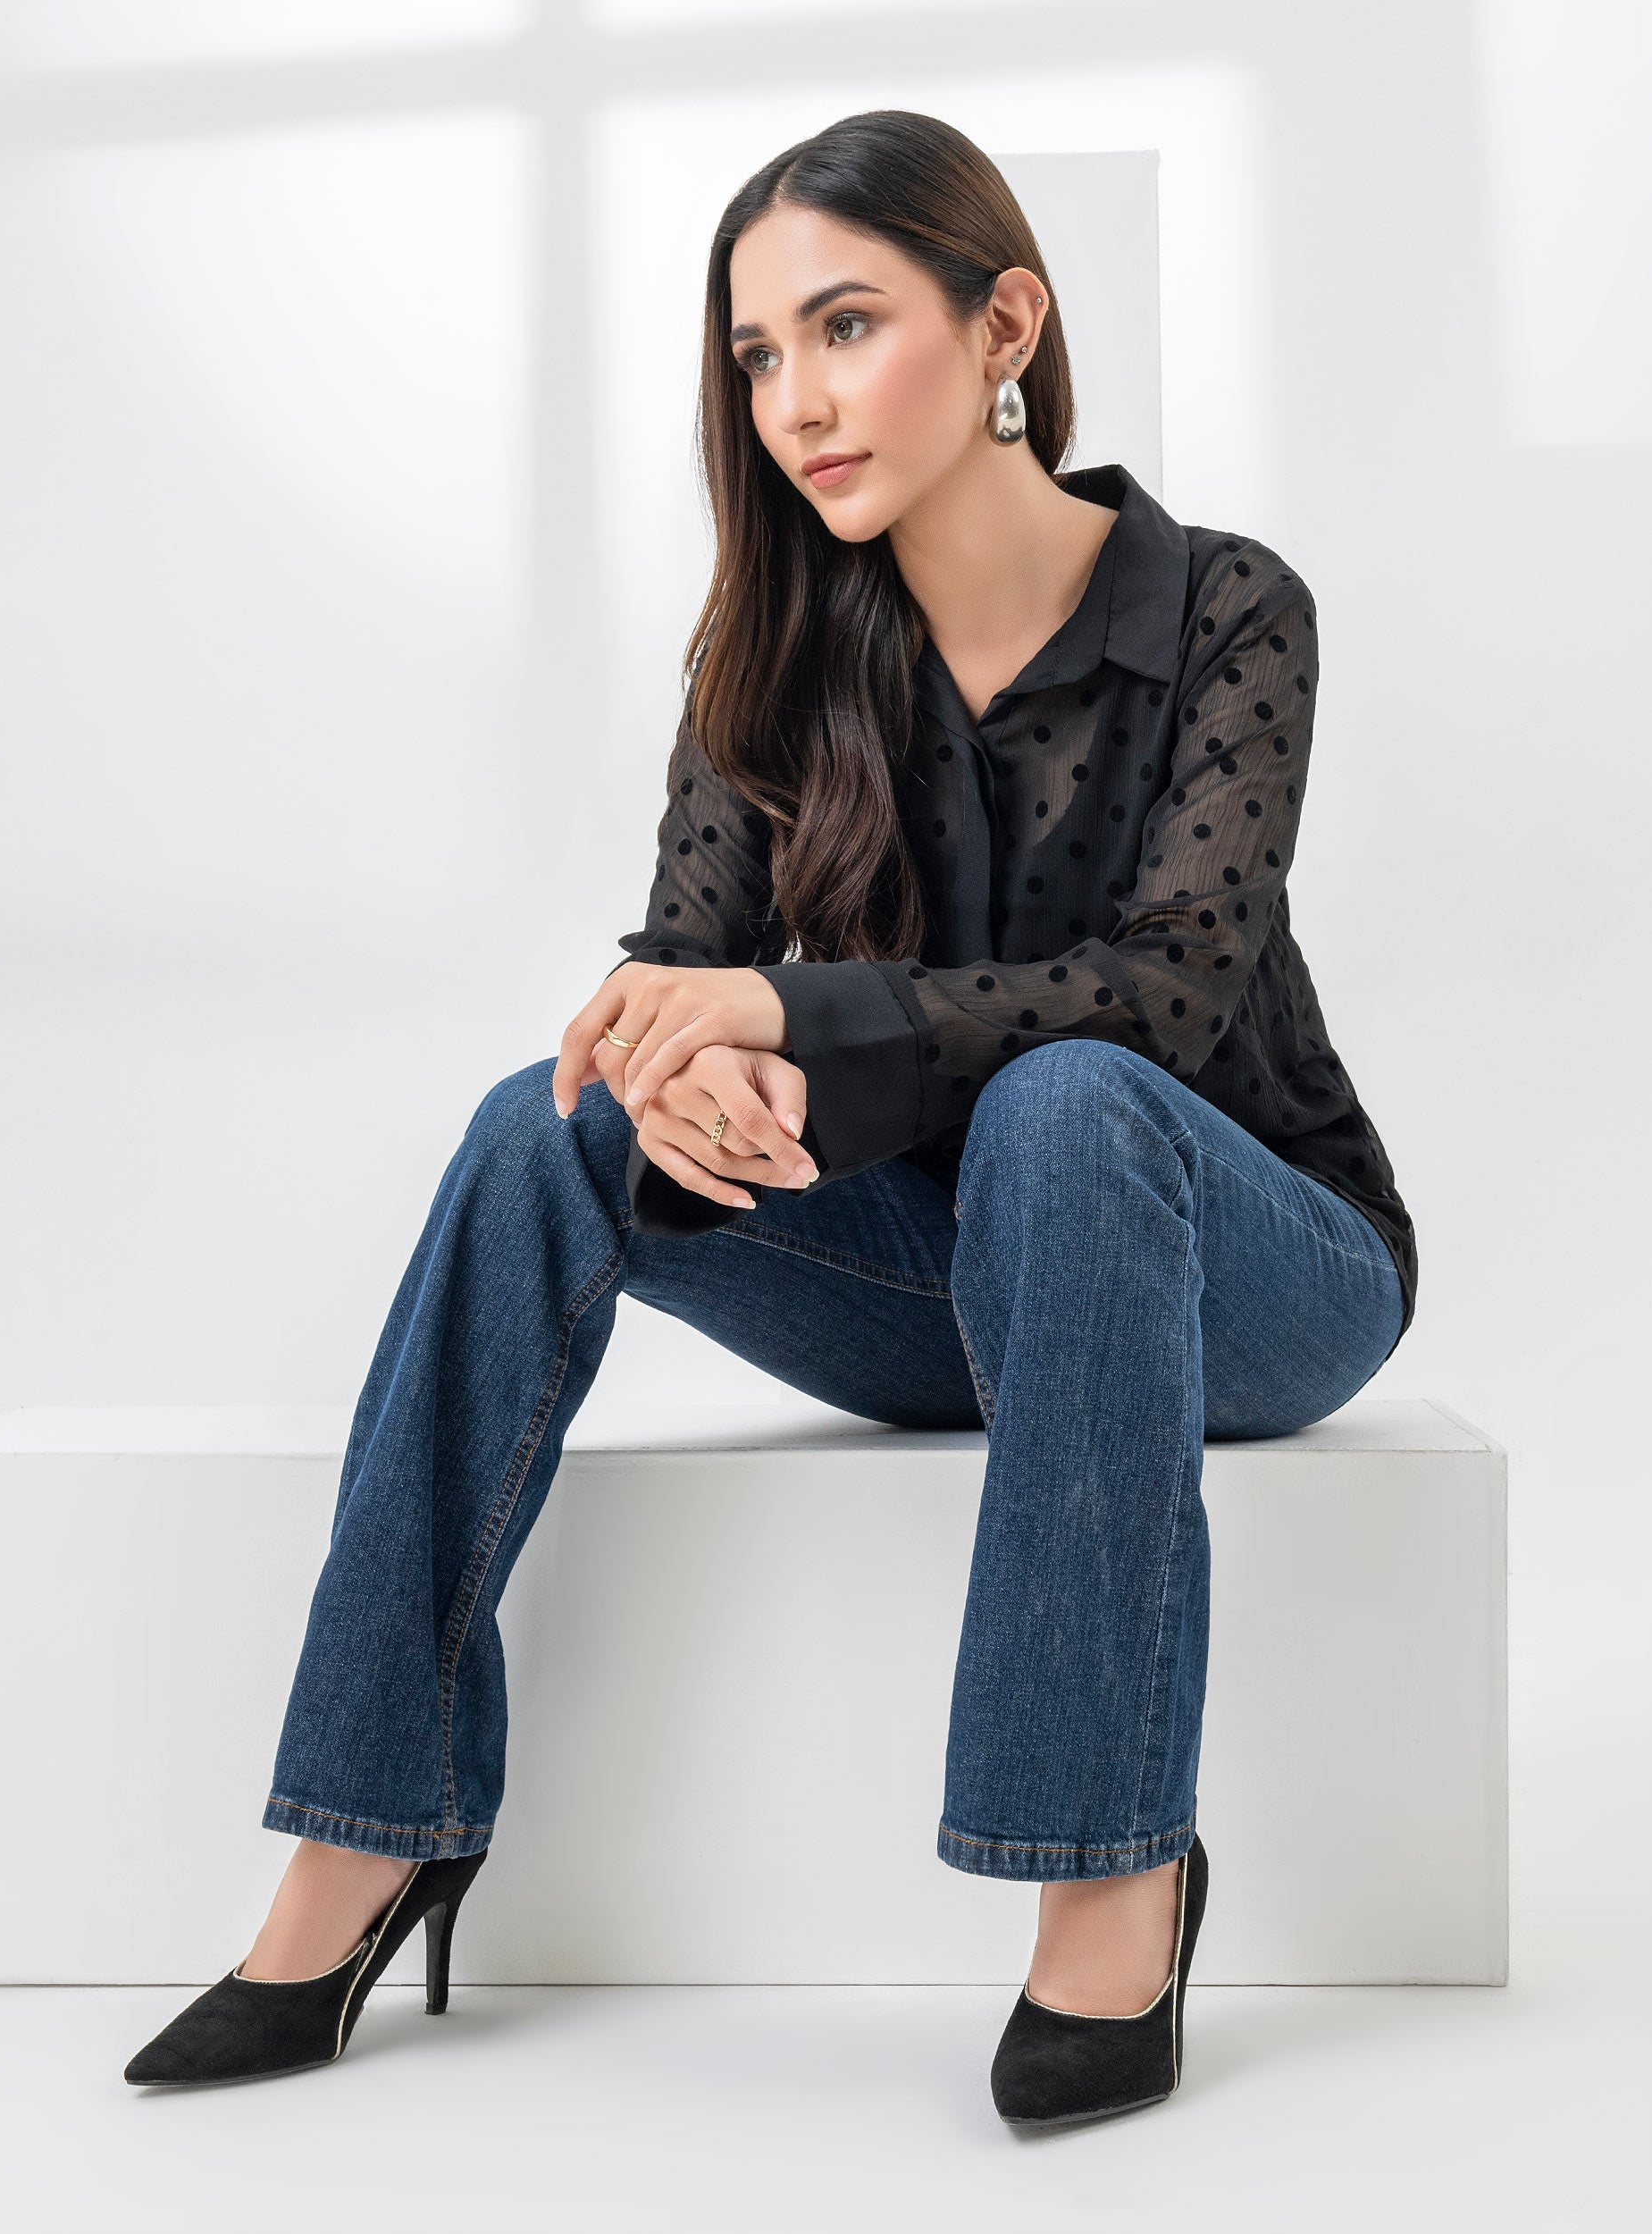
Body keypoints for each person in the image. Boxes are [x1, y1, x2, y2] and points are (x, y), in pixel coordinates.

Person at [124, 108, 1416, 2126]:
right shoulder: (777, 651)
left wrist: (786, 1010)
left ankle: (1111, 1872)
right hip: (946, 1286)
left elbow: (1167, 995)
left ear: (1005, 326)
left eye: (844, 325)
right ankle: (369, 1831)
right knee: (546, 1120)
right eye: (755, 354)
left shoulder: (1226, 611)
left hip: (1250, 1269)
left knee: (1072, 1103)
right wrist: (689, 1057)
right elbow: (679, 971)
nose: (794, 400)